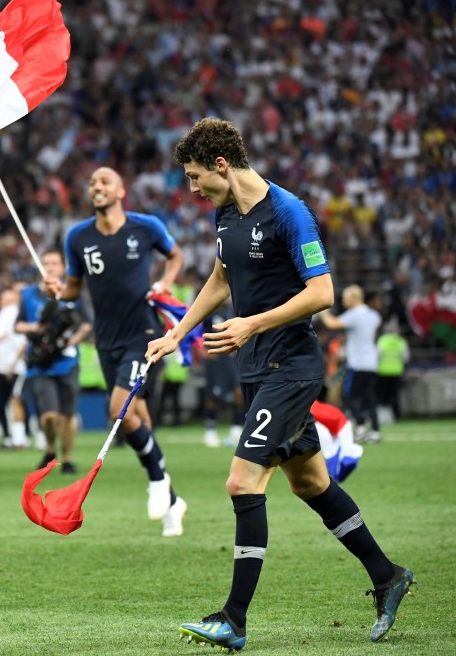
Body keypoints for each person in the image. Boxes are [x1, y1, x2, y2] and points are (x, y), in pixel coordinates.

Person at [147, 117, 413, 650]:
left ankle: (234, 620)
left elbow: (322, 293)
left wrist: (252, 323)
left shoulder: (289, 213)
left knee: (242, 483)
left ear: (222, 165)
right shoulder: (226, 213)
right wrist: (178, 332)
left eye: (197, 176)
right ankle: (388, 576)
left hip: (290, 368)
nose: (192, 188)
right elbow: (222, 278)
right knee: (310, 483)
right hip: (258, 368)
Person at [46, 166, 187, 537]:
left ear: (121, 190)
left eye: (104, 181)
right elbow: (73, 289)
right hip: (106, 340)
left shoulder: (146, 227)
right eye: (92, 182)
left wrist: (164, 283)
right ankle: (172, 499)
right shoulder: (77, 237)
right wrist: (57, 291)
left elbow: (176, 256)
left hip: (143, 333)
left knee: (118, 410)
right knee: (135, 413)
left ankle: (158, 481)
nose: (96, 186)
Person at [17, 250, 91, 474]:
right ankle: (51, 448)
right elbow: (18, 325)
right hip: (40, 362)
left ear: (62, 267)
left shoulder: (72, 293)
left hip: (67, 362)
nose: (49, 267)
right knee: (49, 415)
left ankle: (67, 458)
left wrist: (71, 342)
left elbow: (87, 323)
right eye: (45, 263)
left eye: (54, 263)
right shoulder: (29, 294)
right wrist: (35, 329)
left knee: (68, 414)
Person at [319, 285, 383, 443]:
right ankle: (375, 431)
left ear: (353, 299)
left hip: (358, 362)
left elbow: (332, 324)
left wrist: (322, 310)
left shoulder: (355, 314)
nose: (343, 301)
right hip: (372, 362)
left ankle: (360, 426)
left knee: (348, 397)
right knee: (369, 397)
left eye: (346, 298)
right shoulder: (373, 315)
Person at [200, 304, 246, 448]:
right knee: (214, 396)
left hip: (230, 359)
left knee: (238, 392)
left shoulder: (232, 310)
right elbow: (195, 332)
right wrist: (202, 350)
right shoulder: (207, 311)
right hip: (214, 358)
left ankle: (236, 429)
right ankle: (210, 431)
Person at [0, 287, 28, 450]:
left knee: (15, 400)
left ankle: (20, 438)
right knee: (1, 403)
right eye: (4, 299)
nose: (7, 302)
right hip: (1, 367)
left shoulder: (16, 318)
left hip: (16, 367)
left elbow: (23, 343)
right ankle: (7, 437)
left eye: (10, 299)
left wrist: (13, 365)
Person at [375, 319, 409, 422]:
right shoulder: (401, 341)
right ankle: (395, 417)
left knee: (381, 397)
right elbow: (406, 357)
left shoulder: (382, 341)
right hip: (396, 372)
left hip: (383, 372)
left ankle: (382, 418)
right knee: (394, 397)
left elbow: (377, 356)